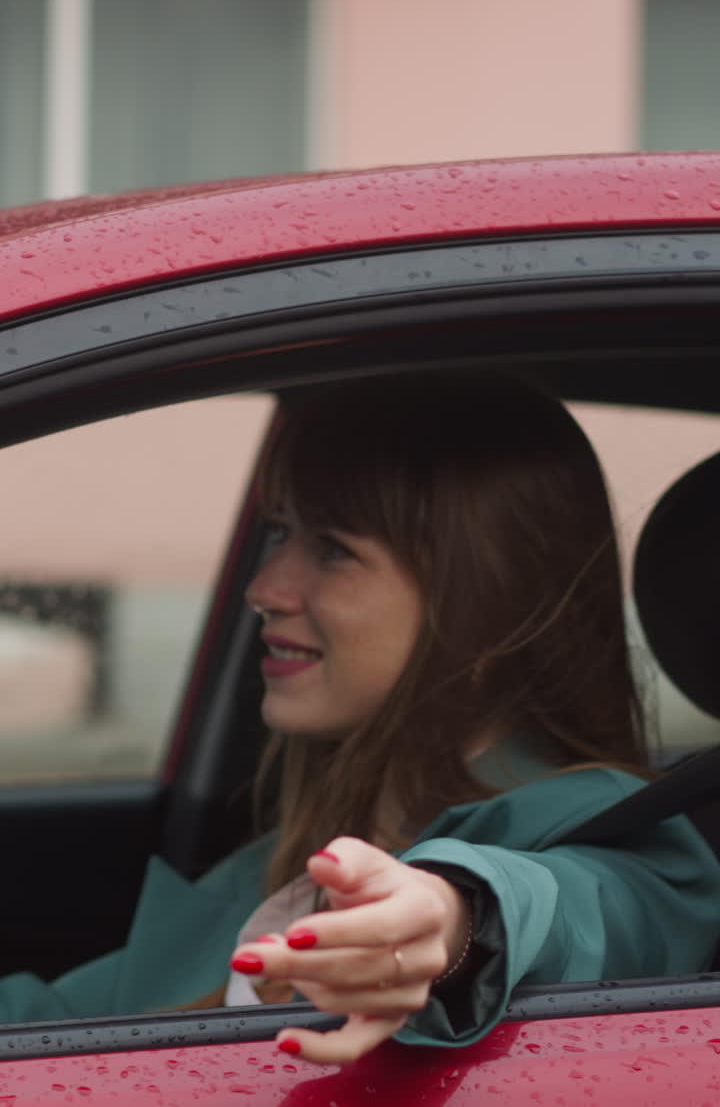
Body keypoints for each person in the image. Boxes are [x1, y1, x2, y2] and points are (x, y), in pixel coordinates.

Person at [1, 369, 719, 1065]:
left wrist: (455, 925)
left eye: (334, 550)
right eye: (282, 533)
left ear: (483, 604)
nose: (264, 588)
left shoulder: (614, 832)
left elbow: (587, 917)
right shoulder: (285, 861)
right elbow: (57, 1025)